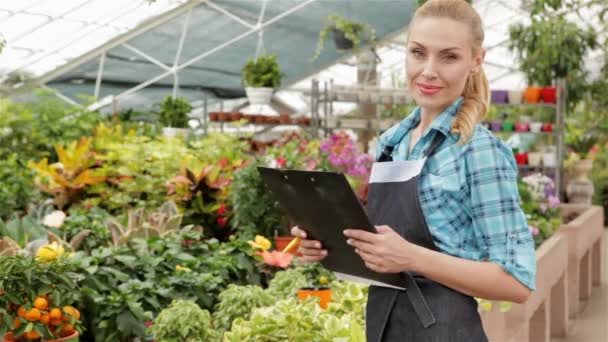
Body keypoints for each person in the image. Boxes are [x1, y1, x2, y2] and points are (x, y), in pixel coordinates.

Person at [291, 0, 536, 341]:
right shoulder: (392, 143)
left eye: (448, 56)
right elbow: (385, 256)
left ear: (476, 60)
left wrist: (413, 257)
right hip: (385, 326)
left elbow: (516, 282)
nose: (429, 70)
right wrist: (330, 245)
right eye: (418, 53)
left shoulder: (479, 151)